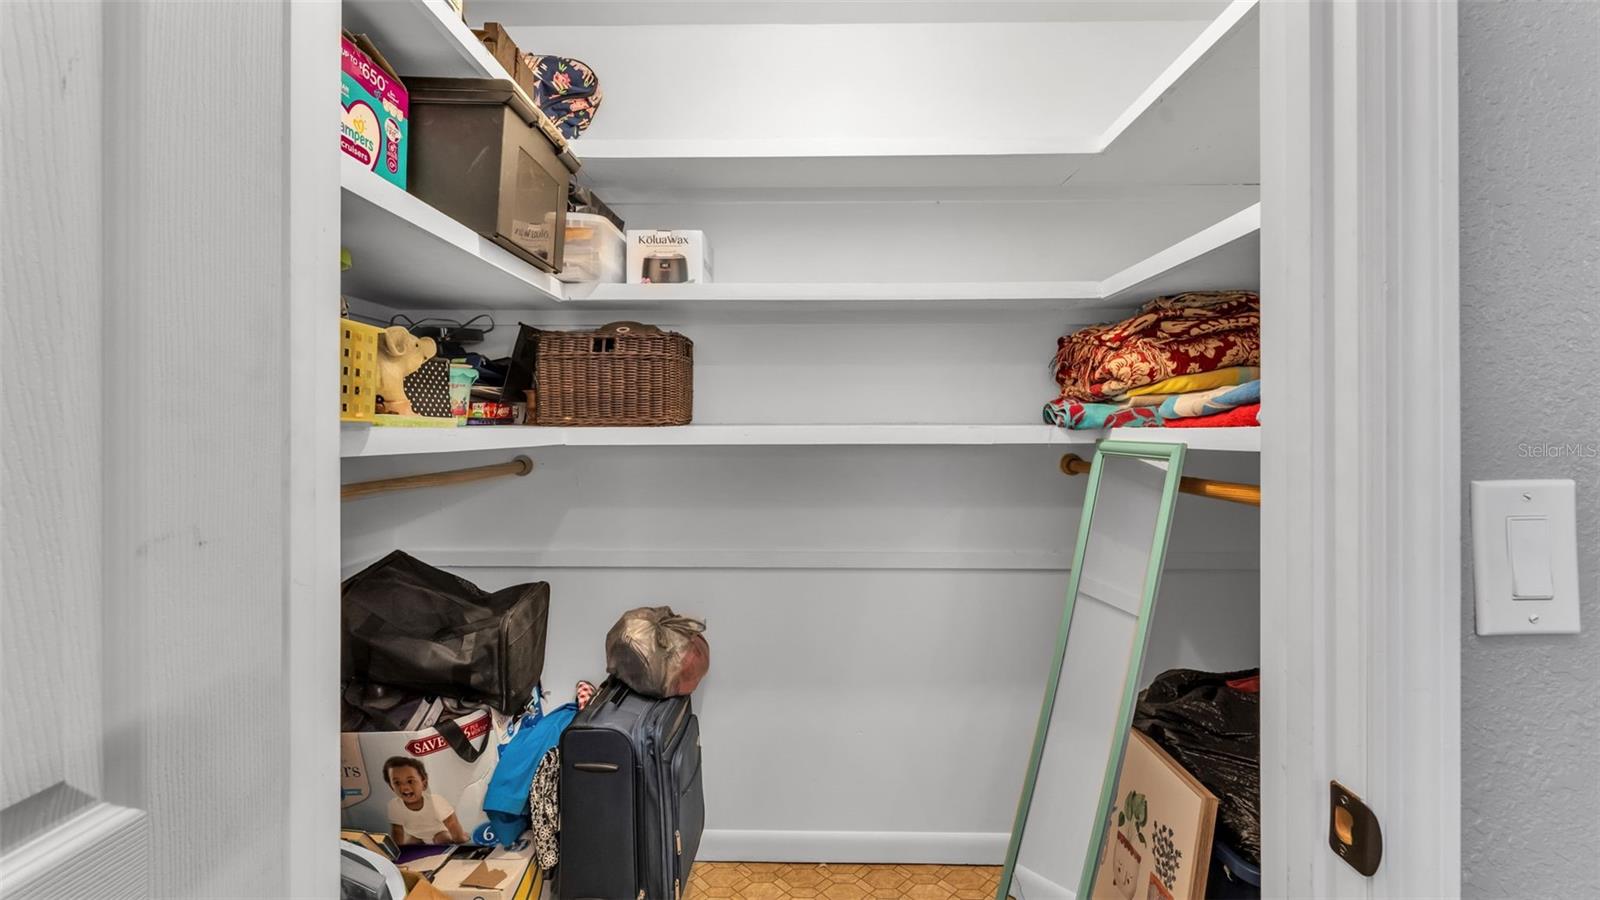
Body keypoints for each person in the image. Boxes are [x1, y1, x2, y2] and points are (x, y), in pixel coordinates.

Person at [383, 756, 466, 845]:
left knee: (443, 838)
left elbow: (452, 823)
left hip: (439, 832)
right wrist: (397, 849)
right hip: (416, 836)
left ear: (424, 783)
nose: (404, 787)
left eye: (410, 781)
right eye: (397, 783)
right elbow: (397, 830)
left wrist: (460, 841)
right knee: (410, 844)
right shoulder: (394, 805)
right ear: (391, 787)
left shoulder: (435, 801)